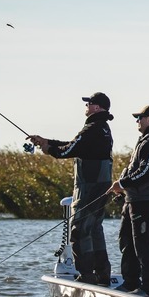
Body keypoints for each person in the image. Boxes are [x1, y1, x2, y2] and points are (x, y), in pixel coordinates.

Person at [27, 92, 114, 285]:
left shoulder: (92, 128)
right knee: (94, 230)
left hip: (90, 188)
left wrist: (50, 149)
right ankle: (102, 274)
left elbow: (69, 150)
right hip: (100, 187)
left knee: (79, 230)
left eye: (89, 103)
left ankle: (87, 276)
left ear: (97, 107)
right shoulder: (102, 128)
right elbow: (75, 145)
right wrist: (46, 142)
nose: (86, 106)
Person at [107, 105, 149, 297]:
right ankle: (130, 282)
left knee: (145, 243)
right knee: (127, 241)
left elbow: (145, 172)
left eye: (140, 118)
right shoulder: (145, 140)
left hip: (148, 201)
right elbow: (134, 168)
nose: (138, 121)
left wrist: (122, 183)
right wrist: (123, 188)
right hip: (134, 200)